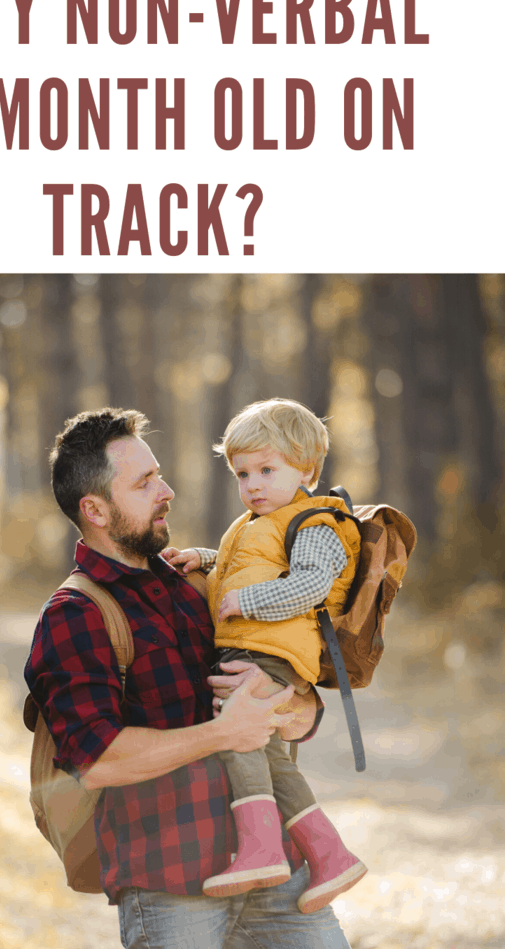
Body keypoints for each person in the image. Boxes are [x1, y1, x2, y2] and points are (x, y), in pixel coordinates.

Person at [24, 407, 353, 949]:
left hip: (280, 875)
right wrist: (225, 734)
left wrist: (294, 707)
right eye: (146, 482)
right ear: (96, 510)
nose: (167, 490)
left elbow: (293, 705)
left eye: (159, 474)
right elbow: (97, 759)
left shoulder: (196, 584)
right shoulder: (76, 614)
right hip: (172, 887)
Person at [162, 398, 367, 911]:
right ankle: (330, 854)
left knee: (237, 734)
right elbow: (246, 563)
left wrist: (246, 601)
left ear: (308, 470)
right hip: (254, 647)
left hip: (274, 652)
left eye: (267, 470)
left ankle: (260, 848)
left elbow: (312, 584)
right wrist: (204, 558)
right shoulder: (259, 521)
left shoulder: (317, 523)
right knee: (268, 755)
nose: (252, 484)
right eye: (242, 473)